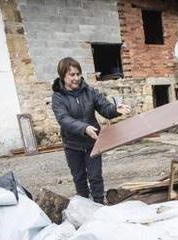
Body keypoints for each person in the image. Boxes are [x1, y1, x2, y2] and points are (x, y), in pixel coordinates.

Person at [51, 57, 130, 204]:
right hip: (72, 145)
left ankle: (99, 205)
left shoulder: (89, 91)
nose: (76, 78)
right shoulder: (58, 97)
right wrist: (84, 128)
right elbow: (63, 119)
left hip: (92, 142)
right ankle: (85, 206)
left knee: (95, 177)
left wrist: (115, 109)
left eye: (78, 74)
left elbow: (104, 107)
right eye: (72, 75)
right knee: (79, 178)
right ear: (62, 76)